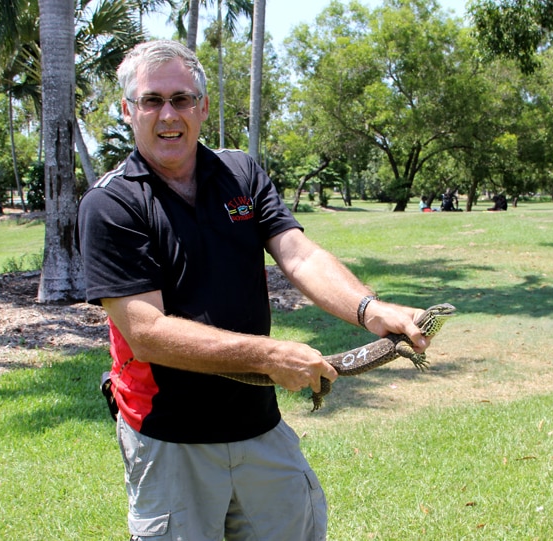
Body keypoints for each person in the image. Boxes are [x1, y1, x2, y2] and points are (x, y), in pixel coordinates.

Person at [77, 39, 431, 541]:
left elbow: (298, 253)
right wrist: (269, 356)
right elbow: (147, 334)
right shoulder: (112, 204)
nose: (167, 114)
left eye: (181, 99)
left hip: (259, 427)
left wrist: (370, 310)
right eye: (151, 100)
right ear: (128, 110)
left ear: (201, 107)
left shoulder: (238, 172)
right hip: (171, 439)